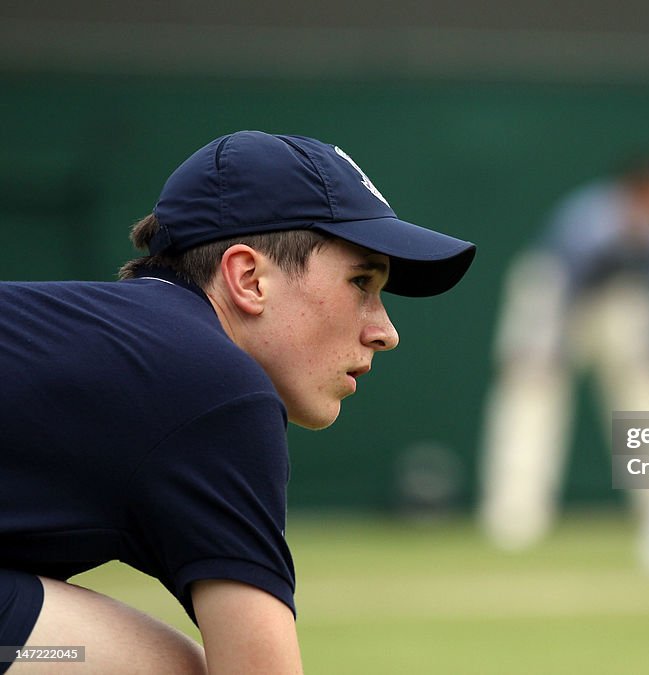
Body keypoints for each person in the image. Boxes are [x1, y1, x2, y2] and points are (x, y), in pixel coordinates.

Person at [0, 130, 476, 673]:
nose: (385, 331)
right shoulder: (216, 388)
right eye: (361, 281)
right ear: (249, 279)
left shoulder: (144, 351)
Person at [478, 154, 649, 578]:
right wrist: (541, 344)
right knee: (532, 391)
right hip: (553, 292)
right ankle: (514, 515)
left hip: (628, 299)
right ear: (629, 194)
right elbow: (560, 285)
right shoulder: (587, 221)